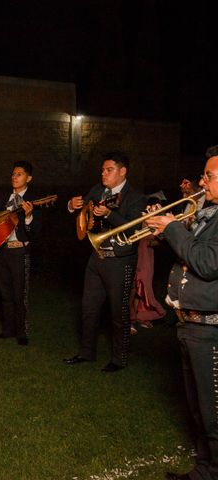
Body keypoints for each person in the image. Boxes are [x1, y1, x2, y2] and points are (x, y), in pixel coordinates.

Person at [145, 146, 218, 480]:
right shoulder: (208, 214)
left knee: (213, 413)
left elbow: (206, 263)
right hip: (189, 324)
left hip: (210, 330)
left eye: (209, 175)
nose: (202, 181)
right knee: (198, 410)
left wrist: (174, 228)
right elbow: (191, 251)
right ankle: (204, 470)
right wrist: (167, 228)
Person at [63, 151, 146, 372]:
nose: (104, 174)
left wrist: (109, 214)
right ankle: (86, 353)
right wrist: (72, 206)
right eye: (102, 170)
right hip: (96, 258)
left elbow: (134, 228)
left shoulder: (136, 197)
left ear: (122, 171)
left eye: (109, 170)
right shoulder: (97, 190)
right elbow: (83, 212)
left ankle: (119, 359)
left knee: (118, 313)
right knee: (88, 308)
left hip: (120, 261)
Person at [0, 161, 40, 345]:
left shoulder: (33, 200)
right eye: (13, 174)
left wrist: (28, 217)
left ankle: (22, 333)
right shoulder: (3, 197)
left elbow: (36, 230)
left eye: (19, 174)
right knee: (5, 294)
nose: (14, 177)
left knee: (19, 295)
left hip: (19, 251)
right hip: (1, 251)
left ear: (29, 178)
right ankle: (7, 330)